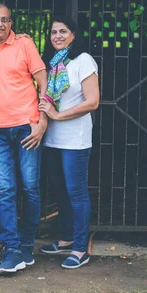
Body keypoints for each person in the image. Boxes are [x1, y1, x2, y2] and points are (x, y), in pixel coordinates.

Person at [0, 2, 48, 275]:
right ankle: (12, 250)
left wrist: (43, 121)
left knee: (29, 187)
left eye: (5, 20)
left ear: (10, 23)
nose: (0, 24)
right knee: (5, 190)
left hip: (27, 127)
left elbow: (44, 83)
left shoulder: (25, 44)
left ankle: (27, 243)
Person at [38, 16, 99, 269]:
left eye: (63, 31)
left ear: (73, 35)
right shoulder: (51, 63)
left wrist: (57, 115)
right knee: (60, 192)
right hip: (52, 138)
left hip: (75, 138)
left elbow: (92, 101)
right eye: (53, 32)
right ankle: (65, 239)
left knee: (76, 192)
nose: (58, 36)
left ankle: (80, 248)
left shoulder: (83, 61)